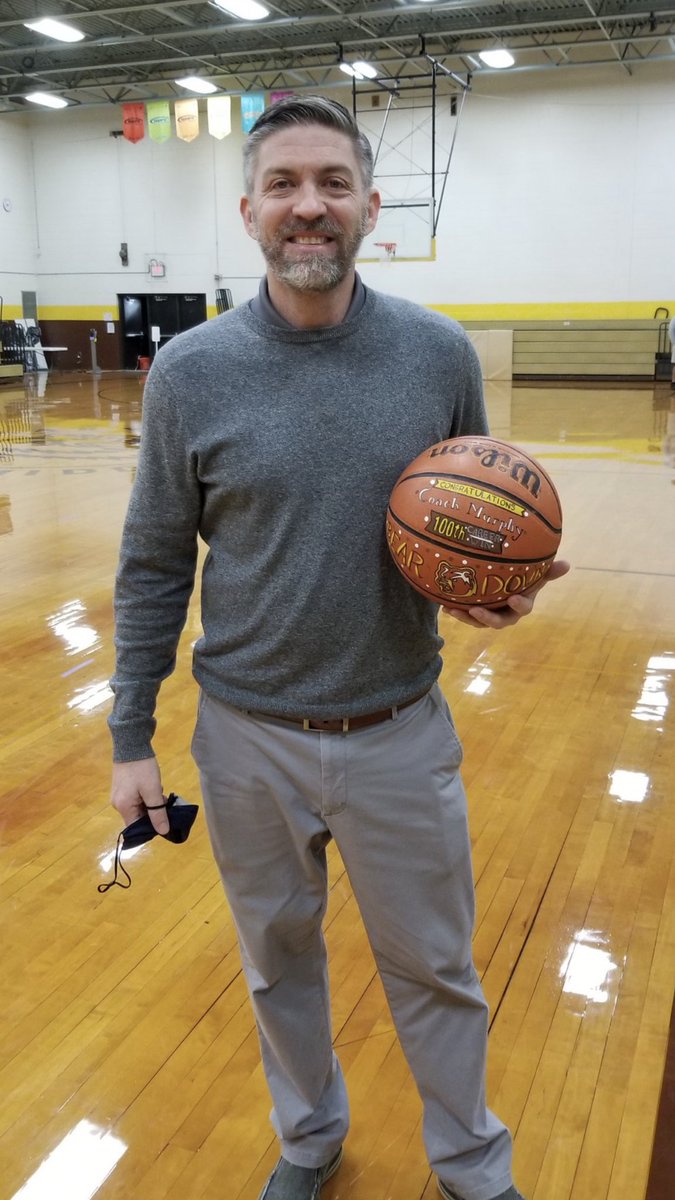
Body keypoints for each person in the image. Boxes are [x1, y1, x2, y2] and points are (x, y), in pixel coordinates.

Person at [109, 96, 569, 1200]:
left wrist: (493, 596)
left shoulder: (437, 353)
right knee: (278, 964)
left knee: (437, 968)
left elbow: (463, 536)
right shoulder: (191, 373)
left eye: (332, 183)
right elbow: (154, 561)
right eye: (283, 184)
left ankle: (471, 1166)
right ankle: (309, 1143)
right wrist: (130, 734)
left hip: (398, 729)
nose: (308, 205)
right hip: (245, 739)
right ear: (249, 211)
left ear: (369, 205)